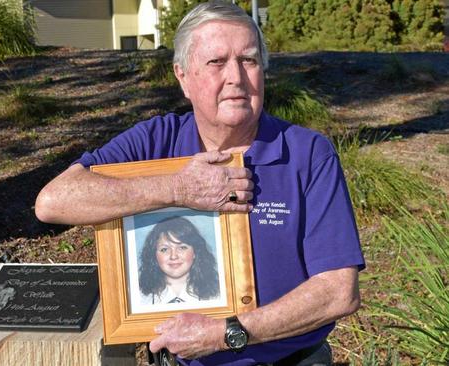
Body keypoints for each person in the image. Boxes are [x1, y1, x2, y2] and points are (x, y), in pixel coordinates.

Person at [35, 1, 364, 365]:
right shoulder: (156, 141)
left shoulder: (307, 154)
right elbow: (53, 201)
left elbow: (338, 292)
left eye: (249, 60)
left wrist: (226, 333)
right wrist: (177, 189)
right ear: (183, 76)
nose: (236, 77)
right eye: (216, 62)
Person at [139, 216, 219, 305]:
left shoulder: (219, 296)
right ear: (154, 255)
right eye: (164, 249)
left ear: (195, 252)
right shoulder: (139, 299)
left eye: (182, 247)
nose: (173, 256)